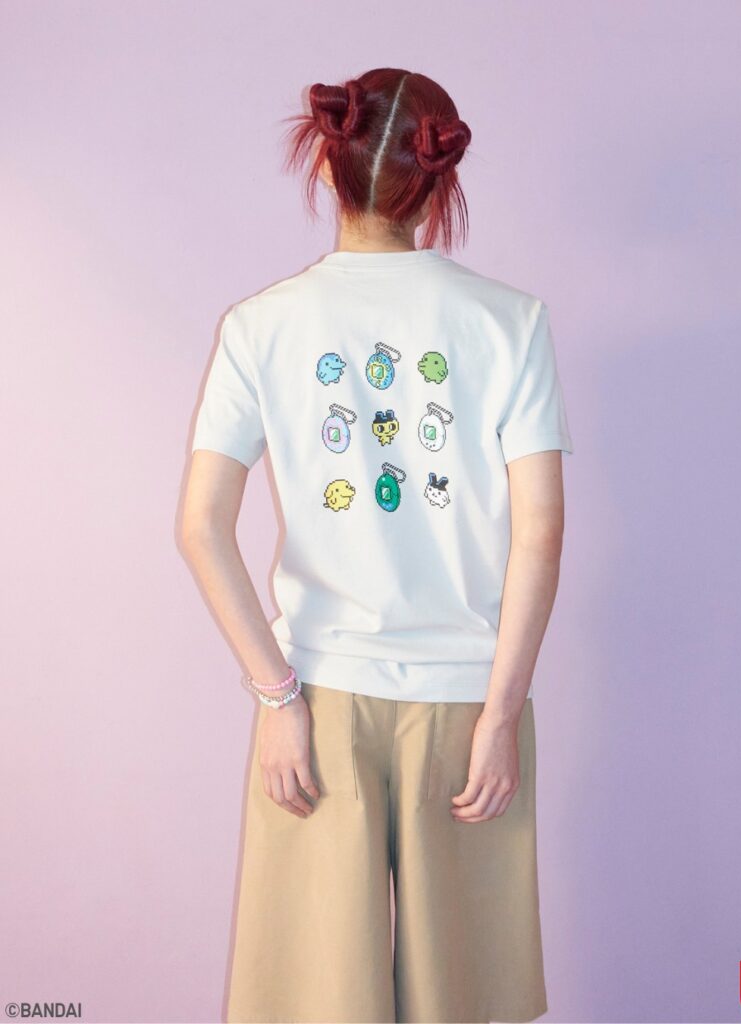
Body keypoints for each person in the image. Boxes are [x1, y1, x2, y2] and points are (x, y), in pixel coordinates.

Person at [181, 67, 574, 1024]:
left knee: (317, 1002)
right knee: (461, 1001)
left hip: (318, 703)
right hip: (466, 702)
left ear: (328, 165)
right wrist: (499, 717)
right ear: (438, 179)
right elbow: (540, 532)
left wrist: (277, 698)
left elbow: (200, 527)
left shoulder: (259, 326)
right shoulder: (510, 323)